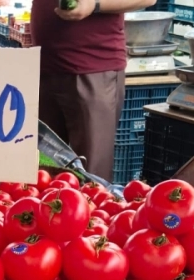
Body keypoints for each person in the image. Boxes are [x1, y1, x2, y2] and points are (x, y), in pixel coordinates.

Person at [31, 0, 156, 180]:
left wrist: (95, 4)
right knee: (40, 169)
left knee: (89, 177)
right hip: (44, 66)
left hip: (91, 68)